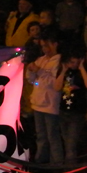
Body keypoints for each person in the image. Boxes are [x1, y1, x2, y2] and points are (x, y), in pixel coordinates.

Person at [25, 29, 64, 165]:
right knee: (41, 135)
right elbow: (32, 80)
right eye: (42, 46)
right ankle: (40, 160)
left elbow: (55, 83)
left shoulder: (59, 61)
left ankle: (57, 163)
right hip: (38, 103)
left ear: (55, 44)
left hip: (51, 104)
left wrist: (39, 72)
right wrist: (31, 70)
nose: (45, 49)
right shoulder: (41, 59)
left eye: (47, 45)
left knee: (53, 136)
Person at [54, 44, 87, 163]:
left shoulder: (85, 72)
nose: (73, 65)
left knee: (71, 145)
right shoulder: (65, 71)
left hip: (77, 113)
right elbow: (57, 87)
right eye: (71, 62)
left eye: (76, 62)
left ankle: (69, 169)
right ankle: (67, 167)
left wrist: (82, 68)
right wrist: (63, 71)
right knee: (66, 142)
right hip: (63, 111)